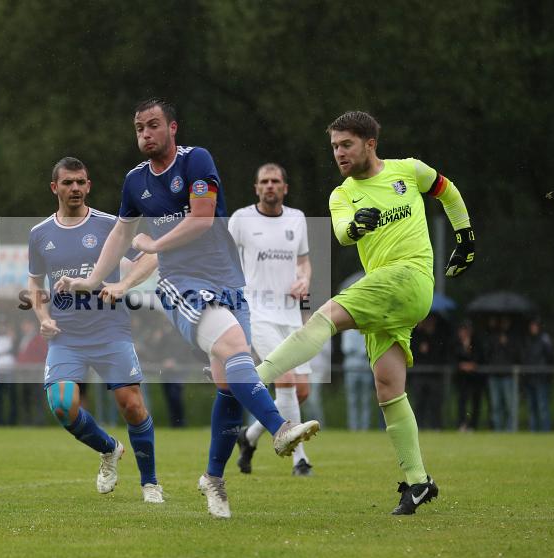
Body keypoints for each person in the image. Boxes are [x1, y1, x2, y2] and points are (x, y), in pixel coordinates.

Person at [56, 100, 317, 518]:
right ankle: (280, 428)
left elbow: (202, 217)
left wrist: (154, 244)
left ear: (172, 127)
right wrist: (92, 280)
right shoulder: (134, 182)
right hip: (182, 284)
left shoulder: (196, 161)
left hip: (229, 283)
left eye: (153, 125)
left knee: (231, 382)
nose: (145, 133)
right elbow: (121, 237)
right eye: (139, 127)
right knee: (237, 349)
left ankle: (213, 477)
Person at [254, 110, 476, 515]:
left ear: (370, 143)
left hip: (409, 278)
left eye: (346, 144)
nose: (338, 152)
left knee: (325, 316)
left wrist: (465, 235)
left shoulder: (408, 170)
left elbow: (448, 190)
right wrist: (356, 226)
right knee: (389, 389)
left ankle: (253, 381)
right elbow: (341, 231)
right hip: (386, 296)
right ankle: (418, 481)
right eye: (334, 146)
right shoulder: (342, 194)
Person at [28, 156, 164, 503]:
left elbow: (152, 254)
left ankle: (150, 483)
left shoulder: (110, 225)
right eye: (68, 182)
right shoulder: (40, 234)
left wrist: (123, 285)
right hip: (66, 337)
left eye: (81, 182)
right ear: (54, 187)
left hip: (109, 331)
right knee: (61, 405)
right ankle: (108, 449)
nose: (75, 188)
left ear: (88, 185)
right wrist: (43, 317)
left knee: (131, 405)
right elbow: (34, 282)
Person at [228, 163, 315, 476]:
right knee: (286, 381)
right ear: (256, 188)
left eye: (275, 181)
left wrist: (304, 280)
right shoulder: (240, 220)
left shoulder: (297, 219)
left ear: (285, 187)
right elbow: (222, 258)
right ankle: (299, 459)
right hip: (257, 313)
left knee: (300, 391)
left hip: (290, 316)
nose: (269, 186)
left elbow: (304, 263)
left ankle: (248, 437)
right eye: (263, 181)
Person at [409, 313, 449, 430]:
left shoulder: (439, 335)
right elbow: (411, 352)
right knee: (419, 402)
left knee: (435, 403)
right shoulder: (416, 335)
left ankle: (436, 426)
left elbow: (442, 354)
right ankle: (418, 426)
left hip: (435, 375)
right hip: (419, 374)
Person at [483, 316, 521, 431]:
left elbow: (517, 355)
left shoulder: (513, 337)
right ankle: (497, 430)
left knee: (511, 406)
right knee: (496, 406)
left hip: (508, 376)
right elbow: (487, 354)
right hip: (494, 375)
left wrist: (506, 344)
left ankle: (511, 429)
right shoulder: (492, 336)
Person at [453, 321, 485, 431]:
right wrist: (461, 365)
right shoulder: (456, 344)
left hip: (475, 379)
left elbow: (480, 357)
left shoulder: (476, 343)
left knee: (475, 402)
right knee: (462, 402)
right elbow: (453, 358)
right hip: (462, 379)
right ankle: (462, 424)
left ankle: (473, 425)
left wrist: (472, 364)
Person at [342, 328, 373, 430]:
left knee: (365, 400)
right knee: (352, 400)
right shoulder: (348, 332)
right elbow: (346, 348)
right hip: (351, 370)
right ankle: (353, 427)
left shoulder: (368, 331)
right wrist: (362, 350)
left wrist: (358, 350)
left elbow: (369, 349)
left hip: (365, 369)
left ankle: (365, 428)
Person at [0, 321, 18, 426]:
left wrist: (13, 338)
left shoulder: (11, 338)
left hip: (8, 372)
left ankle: (12, 422)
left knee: (11, 399)